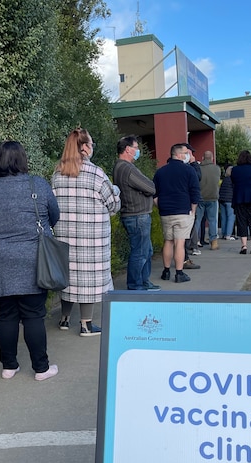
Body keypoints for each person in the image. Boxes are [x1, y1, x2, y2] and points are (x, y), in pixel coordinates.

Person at [0, 141, 60, 380]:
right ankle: (41, 368)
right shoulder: (37, 184)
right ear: (22, 159)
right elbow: (54, 215)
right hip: (32, 255)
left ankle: (9, 366)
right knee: (33, 314)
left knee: (6, 313)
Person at [52, 128, 121, 336]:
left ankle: (64, 320)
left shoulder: (57, 174)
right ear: (84, 148)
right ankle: (86, 324)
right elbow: (113, 205)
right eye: (91, 144)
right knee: (88, 280)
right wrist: (116, 191)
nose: (92, 148)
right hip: (92, 240)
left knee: (69, 278)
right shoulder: (96, 173)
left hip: (64, 238)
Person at [112, 135, 160, 291]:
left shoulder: (119, 167)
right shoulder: (127, 168)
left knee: (146, 250)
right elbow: (151, 187)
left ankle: (143, 282)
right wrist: (149, 191)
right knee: (140, 252)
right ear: (128, 149)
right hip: (137, 215)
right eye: (136, 148)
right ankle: (135, 286)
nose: (138, 151)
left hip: (134, 215)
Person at [153, 143, 200, 283]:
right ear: (179, 154)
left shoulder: (160, 171)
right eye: (186, 152)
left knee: (168, 241)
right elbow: (195, 193)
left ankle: (166, 271)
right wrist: (193, 211)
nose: (188, 155)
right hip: (183, 211)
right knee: (180, 243)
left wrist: (159, 205)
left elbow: (153, 192)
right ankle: (179, 273)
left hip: (166, 212)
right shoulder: (189, 170)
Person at [231, 150, 251, 255]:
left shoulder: (235, 170)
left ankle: (244, 246)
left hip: (240, 198)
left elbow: (233, 182)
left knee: (241, 222)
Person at [197, 150, 220, 250]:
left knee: (197, 220)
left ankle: (195, 241)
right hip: (213, 198)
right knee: (212, 221)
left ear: (202, 158)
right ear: (212, 158)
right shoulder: (217, 169)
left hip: (200, 198)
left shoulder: (198, 169)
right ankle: (213, 242)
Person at [185, 144, 204, 257]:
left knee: (193, 223)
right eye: (189, 153)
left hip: (190, 200)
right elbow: (197, 177)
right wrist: (194, 163)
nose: (191, 156)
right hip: (188, 200)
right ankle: (191, 247)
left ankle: (192, 246)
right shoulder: (190, 167)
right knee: (190, 223)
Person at [218, 165, 236, 240]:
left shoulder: (225, 179)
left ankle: (224, 233)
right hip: (230, 200)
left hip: (222, 200)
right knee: (231, 217)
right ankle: (228, 234)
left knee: (224, 217)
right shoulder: (233, 180)